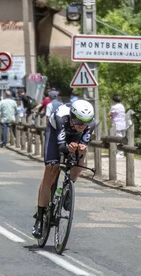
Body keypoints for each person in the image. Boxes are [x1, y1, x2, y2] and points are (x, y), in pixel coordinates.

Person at [32, 99, 95, 238]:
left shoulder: (89, 124)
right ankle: (40, 218)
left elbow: (83, 142)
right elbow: (61, 146)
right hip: (55, 134)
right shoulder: (61, 117)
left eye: (85, 123)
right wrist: (68, 148)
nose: (82, 125)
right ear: (72, 117)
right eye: (79, 122)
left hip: (74, 137)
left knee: (81, 155)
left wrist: (80, 148)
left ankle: (68, 188)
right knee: (52, 169)